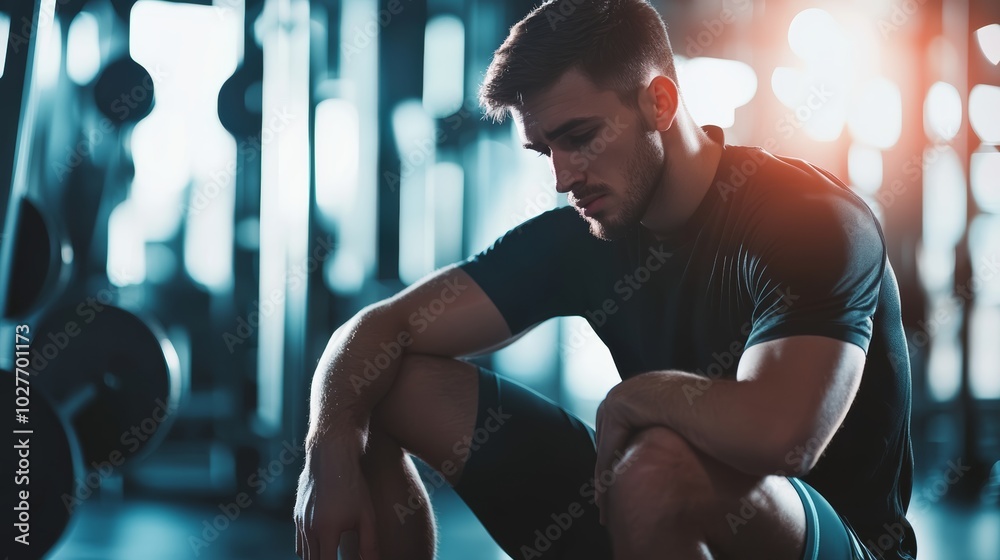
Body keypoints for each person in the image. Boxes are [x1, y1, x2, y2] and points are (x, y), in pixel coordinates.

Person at [293, 0, 916, 558]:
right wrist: (328, 445)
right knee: (383, 384)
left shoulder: (808, 220)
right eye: (547, 152)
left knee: (659, 464)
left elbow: (783, 437)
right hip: (646, 502)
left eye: (581, 138)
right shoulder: (587, 232)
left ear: (661, 103)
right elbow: (382, 328)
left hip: (830, 539)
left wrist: (638, 398)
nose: (564, 179)